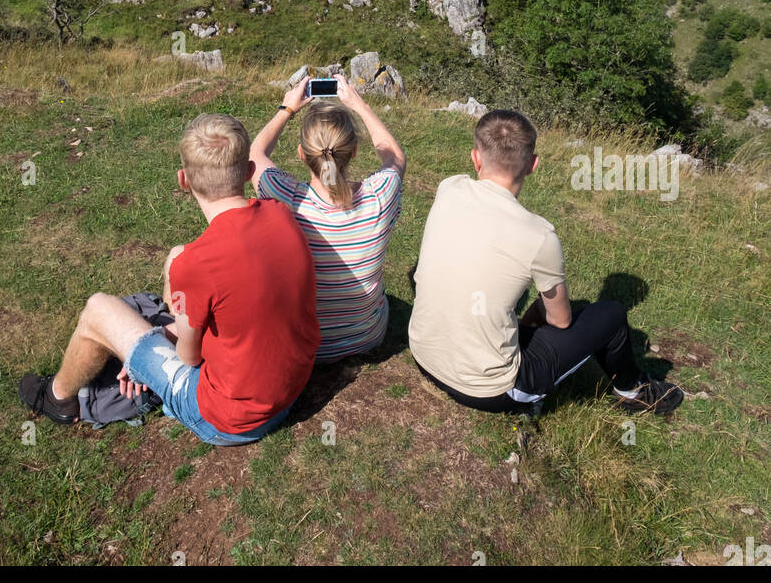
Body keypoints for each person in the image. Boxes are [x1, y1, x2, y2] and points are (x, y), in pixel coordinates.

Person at [19, 113, 320, 444]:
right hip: (289, 392)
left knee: (98, 309)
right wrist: (167, 331)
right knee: (178, 253)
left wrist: (156, 344)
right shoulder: (280, 213)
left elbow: (190, 358)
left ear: (183, 180)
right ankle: (158, 338)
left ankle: (57, 397)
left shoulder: (197, 264)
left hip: (227, 419)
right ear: (248, 173)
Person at [408, 109, 683, 415]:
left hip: (425, 355)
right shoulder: (539, 235)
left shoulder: (450, 187)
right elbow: (561, 320)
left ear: (476, 158)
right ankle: (633, 392)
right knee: (612, 315)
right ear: (533, 165)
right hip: (489, 391)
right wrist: (537, 311)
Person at [249, 74, 405, 363]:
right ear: (354, 152)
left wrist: (287, 109)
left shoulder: (286, 197)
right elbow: (395, 157)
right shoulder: (380, 196)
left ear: (301, 154)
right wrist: (359, 105)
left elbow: (255, 155)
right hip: (367, 337)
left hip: (308, 344)